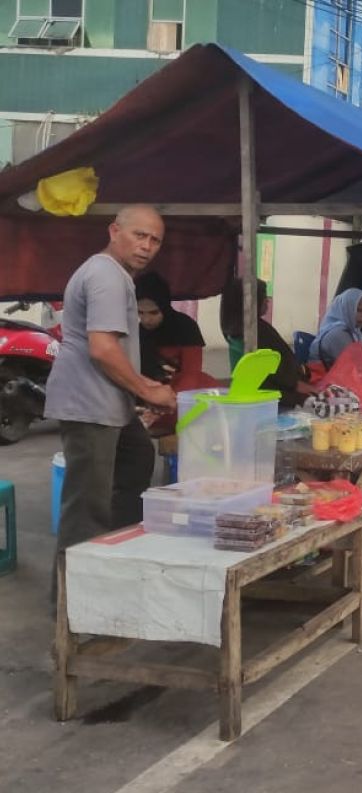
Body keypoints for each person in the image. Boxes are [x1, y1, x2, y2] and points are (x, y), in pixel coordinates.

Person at [45, 205, 177, 598]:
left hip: (109, 405)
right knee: (86, 506)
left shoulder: (115, 275)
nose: (147, 246)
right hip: (88, 405)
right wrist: (147, 390)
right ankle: (72, 607)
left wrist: (137, 387)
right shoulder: (105, 274)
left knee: (137, 463)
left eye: (155, 240)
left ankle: (109, 570)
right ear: (115, 230)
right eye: (140, 235)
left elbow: (112, 349)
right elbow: (102, 349)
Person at [219, 278, 318, 409]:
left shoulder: (234, 328)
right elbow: (279, 372)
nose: (267, 301)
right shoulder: (256, 331)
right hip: (274, 396)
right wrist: (298, 385)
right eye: (262, 296)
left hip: (256, 392)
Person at [134, 271, 210, 389]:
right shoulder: (138, 332)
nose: (147, 320)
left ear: (164, 307)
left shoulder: (185, 328)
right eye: (140, 312)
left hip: (180, 396)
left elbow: (191, 374)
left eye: (154, 312)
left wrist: (173, 401)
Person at [312, 288, 362, 368]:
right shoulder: (338, 334)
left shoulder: (353, 331)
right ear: (346, 310)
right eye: (359, 310)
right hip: (324, 378)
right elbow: (356, 368)